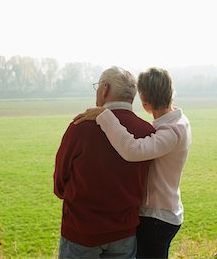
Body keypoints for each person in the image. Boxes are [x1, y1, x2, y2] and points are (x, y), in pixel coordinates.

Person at [73, 67, 192, 259]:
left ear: (144, 103)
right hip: (163, 214)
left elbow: (132, 150)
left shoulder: (172, 131)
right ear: (171, 92)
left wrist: (104, 115)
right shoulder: (177, 121)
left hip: (157, 218)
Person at [53, 66, 156, 259]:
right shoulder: (146, 131)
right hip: (124, 233)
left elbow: (60, 181)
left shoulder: (80, 127)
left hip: (81, 231)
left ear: (105, 89)